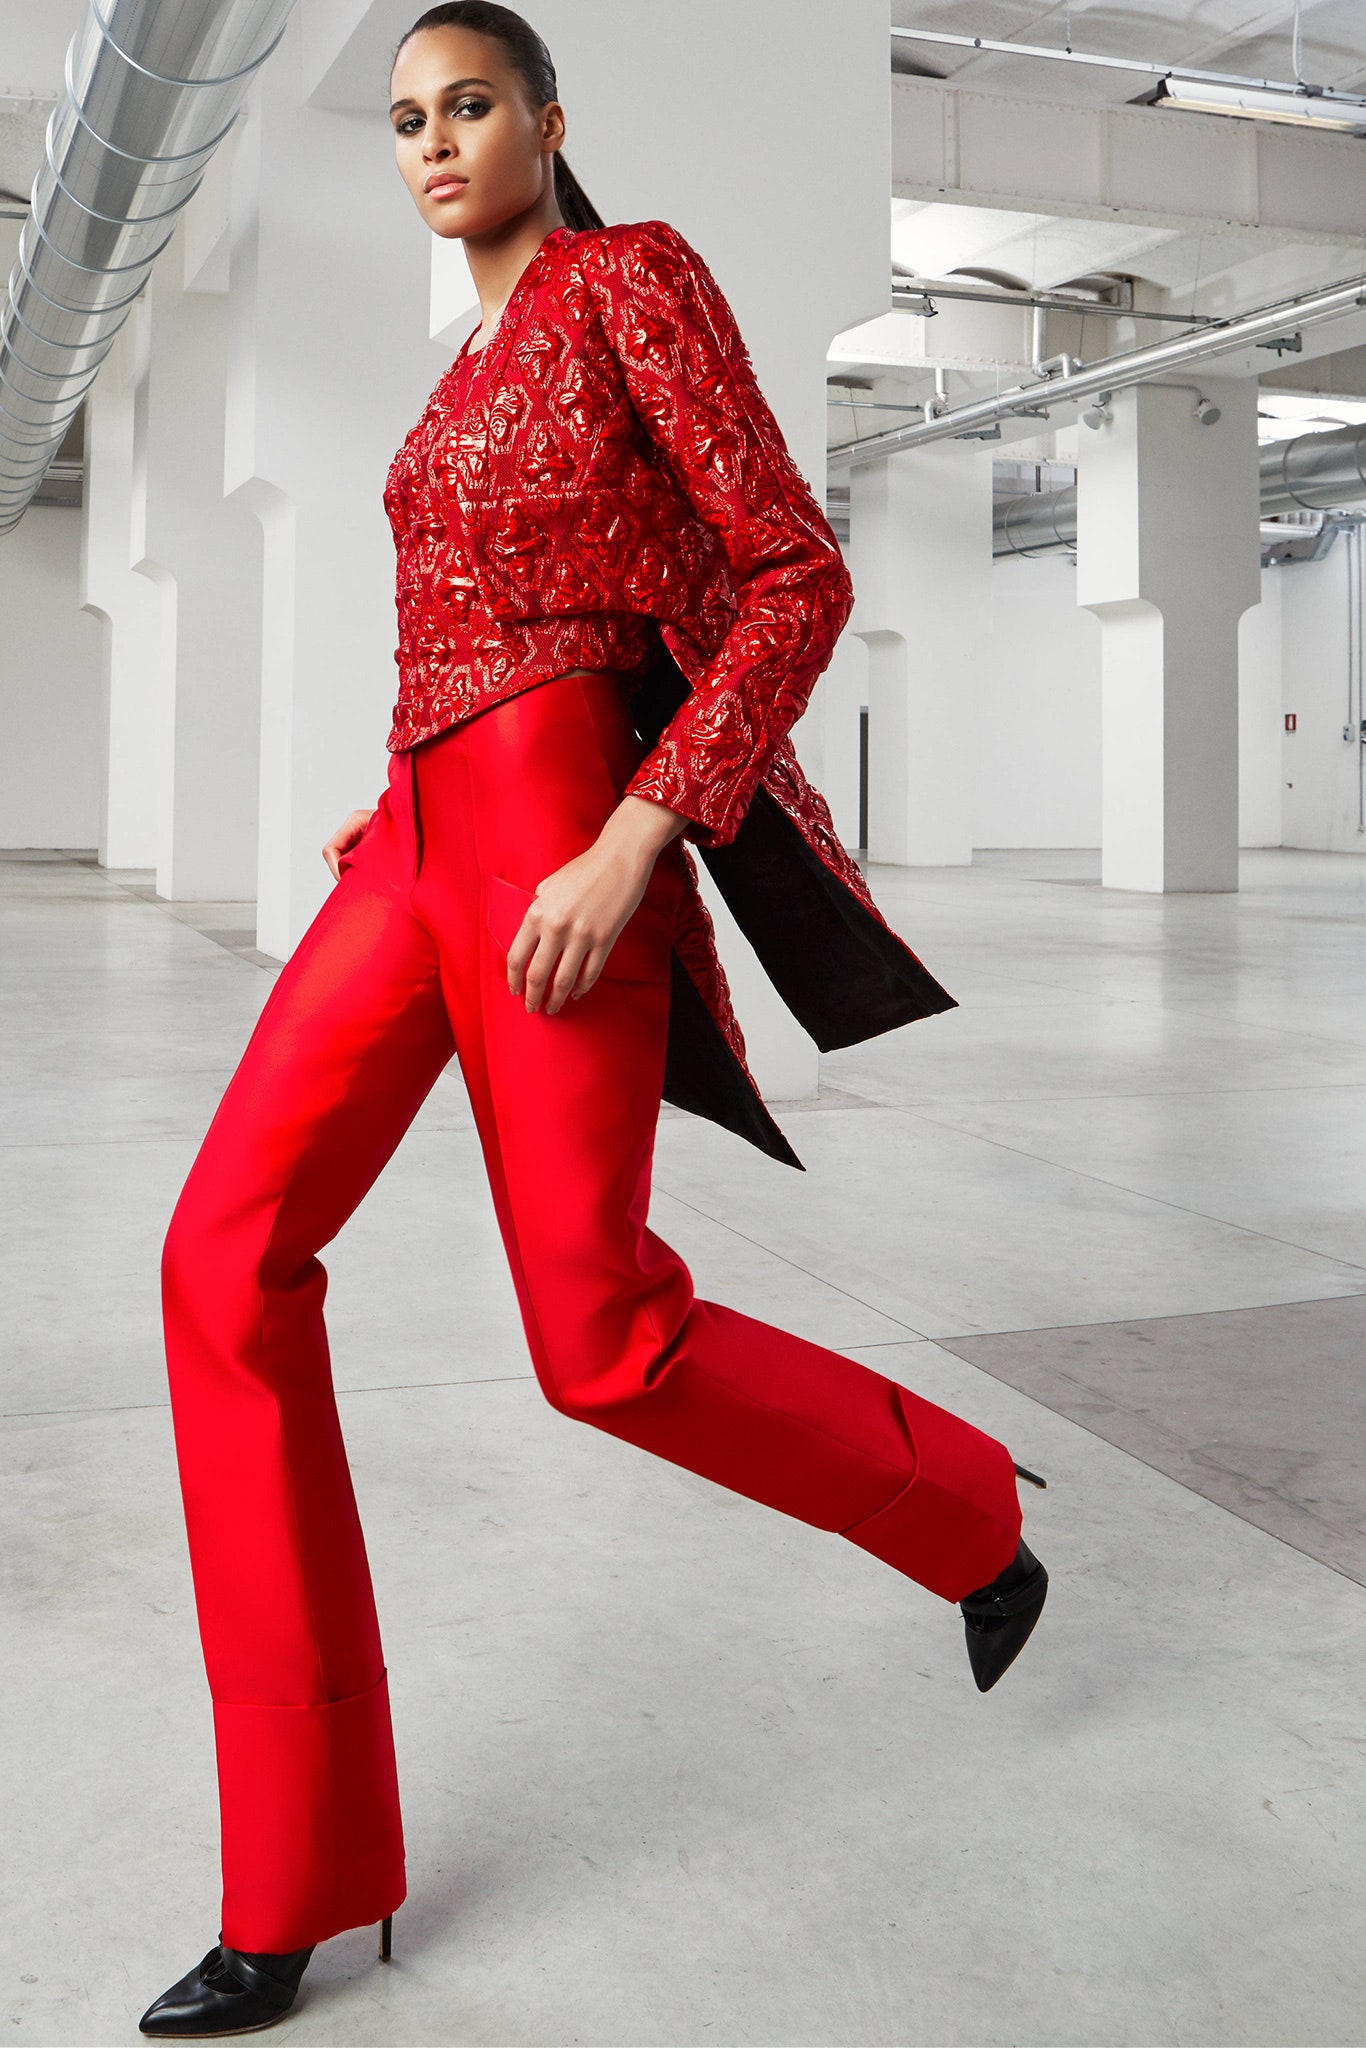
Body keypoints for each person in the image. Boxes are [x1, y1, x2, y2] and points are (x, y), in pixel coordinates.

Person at [137, 4, 1049, 2035]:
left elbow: (784, 576)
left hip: (571, 841)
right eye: (403, 120)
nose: (435, 140)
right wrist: (387, 815)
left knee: (598, 1346)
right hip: (418, 846)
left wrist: (632, 842)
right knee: (219, 1259)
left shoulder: (626, 282)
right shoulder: (447, 365)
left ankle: (969, 1514)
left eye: (469, 104)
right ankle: (290, 1880)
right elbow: (441, 638)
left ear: (547, 121)